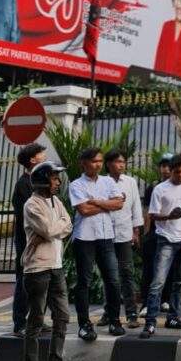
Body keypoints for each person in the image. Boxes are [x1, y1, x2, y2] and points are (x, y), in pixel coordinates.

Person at [21, 160, 80, 361]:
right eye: (54, 178)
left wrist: (56, 228)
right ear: (44, 180)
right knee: (35, 322)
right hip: (37, 268)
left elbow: (68, 224)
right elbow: (48, 230)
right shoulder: (31, 205)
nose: (57, 182)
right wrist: (56, 228)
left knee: (62, 316)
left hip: (56, 266)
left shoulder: (56, 201)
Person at [68, 146, 126, 341]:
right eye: (94, 161)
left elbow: (119, 203)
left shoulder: (108, 181)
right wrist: (106, 204)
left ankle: (114, 320)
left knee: (113, 279)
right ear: (83, 164)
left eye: (100, 161)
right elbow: (83, 210)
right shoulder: (76, 185)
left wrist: (96, 202)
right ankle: (84, 324)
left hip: (106, 236)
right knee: (84, 281)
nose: (98, 165)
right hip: (85, 237)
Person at [140, 153, 181, 337]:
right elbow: (153, 215)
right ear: (170, 171)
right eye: (177, 172)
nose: (180, 175)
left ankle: (172, 316)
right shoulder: (160, 189)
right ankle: (150, 322)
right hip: (165, 237)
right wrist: (169, 217)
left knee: (180, 281)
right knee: (158, 282)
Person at [97, 148, 143, 329]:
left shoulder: (130, 182)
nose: (122, 165)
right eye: (118, 162)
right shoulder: (101, 182)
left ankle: (131, 313)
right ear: (109, 164)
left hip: (124, 234)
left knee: (126, 273)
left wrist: (136, 232)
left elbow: (136, 207)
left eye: (123, 162)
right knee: (109, 275)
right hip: (105, 234)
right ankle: (108, 313)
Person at [11, 142, 46, 337]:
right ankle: (19, 323)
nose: (45, 156)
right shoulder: (23, 184)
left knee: (40, 281)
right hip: (27, 240)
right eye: (41, 154)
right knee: (23, 281)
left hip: (42, 239)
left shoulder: (40, 181)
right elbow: (26, 216)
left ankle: (37, 320)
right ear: (33, 160)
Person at [139, 152, 174, 315]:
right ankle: (146, 301)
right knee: (150, 269)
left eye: (169, 166)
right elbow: (146, 211)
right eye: (163, 166)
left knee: (170, 268)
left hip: (174, 233)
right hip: (155, 232)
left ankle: (165, 300)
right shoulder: (153, 187)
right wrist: (146, 233)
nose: (166, 169)